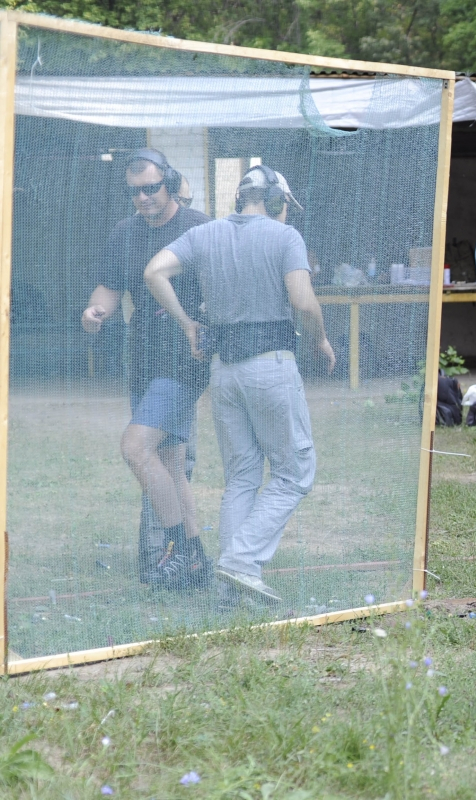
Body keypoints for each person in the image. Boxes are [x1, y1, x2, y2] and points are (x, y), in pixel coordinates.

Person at [144, 164, 335, 607]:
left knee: (242, 477)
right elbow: (303, 302)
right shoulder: (285, 236)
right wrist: (320, 340)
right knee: (294, 473)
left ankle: (230, 594)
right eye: (284, 206)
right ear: (276, 201)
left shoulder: (204, 234)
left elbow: (154, 271)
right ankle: (241, 562)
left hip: (224, 372)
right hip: (269, 366)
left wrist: (188, 325)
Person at [81, 149, 212, 589]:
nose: (143, 198)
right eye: (135, 191)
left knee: (135, 448)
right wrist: (95, 311)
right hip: (142, 357)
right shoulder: (124, 232)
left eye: (151, 188)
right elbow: (109, 288)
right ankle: (196, 560)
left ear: (169, 183)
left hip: (185, 358)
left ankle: (177, 549)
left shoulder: (198, 227)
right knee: (170, 463)